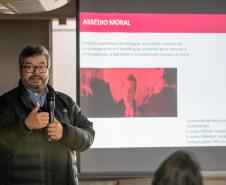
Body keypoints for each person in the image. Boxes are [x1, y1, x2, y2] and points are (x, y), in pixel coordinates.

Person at [0, 45, 95, 185]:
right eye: (29, 67)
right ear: (21, 70)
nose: (36, 72)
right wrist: (25, 126)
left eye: (41, 66)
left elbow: (89, 135)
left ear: (48, 70)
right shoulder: (6, 103)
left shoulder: (65, 102)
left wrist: (65, 131)